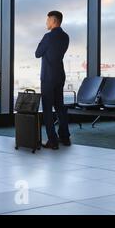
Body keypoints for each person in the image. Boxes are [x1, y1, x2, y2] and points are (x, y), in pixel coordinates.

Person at [35, 11, 71, 149]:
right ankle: (65, 137)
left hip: (48, 77)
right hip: (59, 75)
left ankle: (53, 140)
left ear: (54, 21)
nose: (46, 22)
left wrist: (43, 43)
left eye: (48, 20)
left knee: (48, 110)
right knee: (60, 107)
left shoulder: (48, 37)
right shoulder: (66, 37)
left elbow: (37, 53)